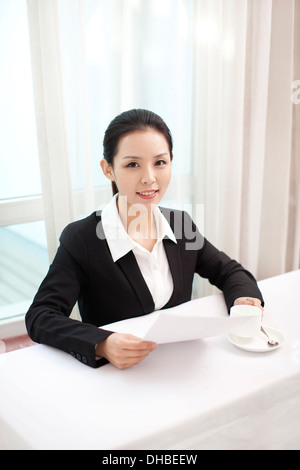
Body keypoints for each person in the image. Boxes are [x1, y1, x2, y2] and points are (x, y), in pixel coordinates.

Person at [26, 109, 264, 369]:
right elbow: (41, 316)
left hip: (181, 366)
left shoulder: (180, 224)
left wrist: (243, 299)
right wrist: (102, 343)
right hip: (119, 377)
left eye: (160, 162)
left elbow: (229, 272)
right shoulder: (82, 238)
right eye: (132, 164)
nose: (149, 177)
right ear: (108, 169)